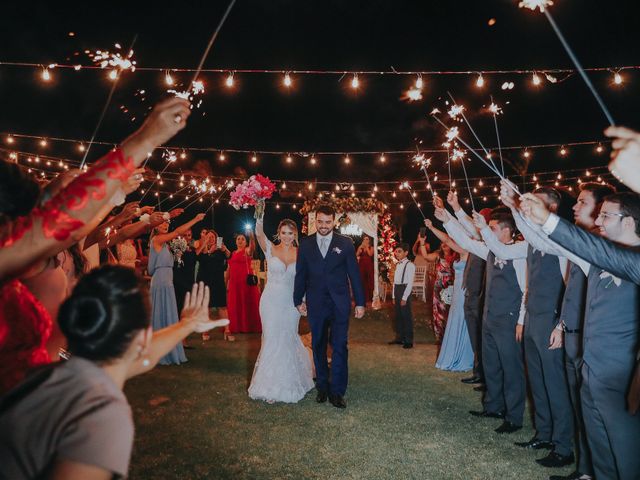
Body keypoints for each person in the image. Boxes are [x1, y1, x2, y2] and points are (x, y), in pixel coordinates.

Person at [0, 266, 226, 479]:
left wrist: (186, 324)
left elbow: (141, 357)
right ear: (143, 337)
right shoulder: (101, 413)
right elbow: (140, 356)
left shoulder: (54, 374)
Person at [521, 192, 640, 480]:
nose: (598, 220)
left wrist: (548, 218)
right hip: (590, 373)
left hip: (620, 382)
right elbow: (565, 243)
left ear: (629, 223)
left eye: (606, 215)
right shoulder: (598, 260)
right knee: (599, 454)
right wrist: (528, 215)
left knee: (627, 457)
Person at [483, 185, 576, 469]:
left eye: (535, 202)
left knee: (555, 384)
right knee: (537, 381)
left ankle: (563, 446)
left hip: (551, 319)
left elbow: (570, 289)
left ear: (552, 209)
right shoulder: (532, 242)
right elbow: (503, 250)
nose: (529, 206)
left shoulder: (561, 241)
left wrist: (561, 325)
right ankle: (544, 434)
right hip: (534, 317)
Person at [439, 205, 527, 434]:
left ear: (506, 231)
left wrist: (521, 320)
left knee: (511, 368)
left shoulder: (518, 252)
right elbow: (466, 242)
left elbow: (526, 290)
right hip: (489, 317)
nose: (487, 232)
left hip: (508, 320)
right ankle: (493, 406)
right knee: (491, 365)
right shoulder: (490, 250)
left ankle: (513, 417)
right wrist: (446, 219)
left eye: (493, 228)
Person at [294, 204, 365, 409]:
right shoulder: (306, 245)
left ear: (333, 221)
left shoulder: (345, 244)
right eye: (320, 222)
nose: (323, 226)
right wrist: (298, 300)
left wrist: (360, 302)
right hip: (316, 303)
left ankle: (337, 391)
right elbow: (301, 275)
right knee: (318, 344)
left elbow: (354, 275)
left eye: (327, 222)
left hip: (339, 304)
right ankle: (323, 387)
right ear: (315, 221)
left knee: (340, 345)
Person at [248, 214, 314, 403]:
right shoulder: (270, 248)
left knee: (288, 337)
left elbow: (304, 281)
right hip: (270, 302)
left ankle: (289, 382)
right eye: (284, 233)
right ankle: (269, 386)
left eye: (290, 233)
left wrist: (303, 301)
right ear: (278, 233)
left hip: (290, 303)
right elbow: (258, 232)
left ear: (295, 235)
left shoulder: (301, 254)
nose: (287, 236)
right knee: (271, 339)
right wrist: (260, 212)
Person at [443, 193, 489, 386]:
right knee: (474, 336)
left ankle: (486, 375)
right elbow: (464, 232)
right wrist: (451, 211)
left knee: (482, 337)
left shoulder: (487, 244)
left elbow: (461, 237)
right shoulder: (477, 241)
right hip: (469, 293)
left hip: (481, 296)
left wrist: (453, 211)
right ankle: (478, 372)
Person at [148, 213, 205, 364]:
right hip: (160, 281)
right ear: (155, 227)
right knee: (162, 313)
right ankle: (160, 351)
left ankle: (167, 349)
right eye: (161, 224)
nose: (165, 225)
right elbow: (178, 232)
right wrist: (195, 219)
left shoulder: (167, 244)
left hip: (168, 280)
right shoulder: (157, 240)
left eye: (166, 223)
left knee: (169, 314)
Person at [423, 219, 474, 372]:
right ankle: (454, 353)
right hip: (458, 292)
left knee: (460, 320)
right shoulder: (463, 250)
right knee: (455, 319)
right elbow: (446, 238)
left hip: (464, 291)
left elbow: (446, 238)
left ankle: (461, 357)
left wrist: (432, 227)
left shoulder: (466, 250)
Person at [195, 230, 230, 340]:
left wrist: (224, 249)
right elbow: (198, 256)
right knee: (207, 307)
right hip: (205, 281)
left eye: (213, 237)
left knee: (222, 306)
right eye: (209, 237)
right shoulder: (202, 248)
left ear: (216, 239)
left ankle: (227, 329)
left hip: (218, 280)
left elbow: (229, 256)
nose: (211, 239)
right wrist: (205, 245)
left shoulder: (220, 249)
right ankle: (205, 331)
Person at [226, 231, 262, 336]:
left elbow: (252, 248)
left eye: (242, 239)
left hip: (245, 282)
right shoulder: (233, 253)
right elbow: (229, 268)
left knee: (246, 303)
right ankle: (238, 326)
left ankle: (248, 326)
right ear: (235, 241)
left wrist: (251, 237)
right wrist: (226, 281)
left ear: (246, 242)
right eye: (238, 239)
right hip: (234, 282)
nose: (240, 241)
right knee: (236, 303)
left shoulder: (246, 251)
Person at [421, 241, 457, 344]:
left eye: (447, 242)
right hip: (439, 287)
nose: (444, 244)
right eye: (442, 243)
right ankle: (440, 336)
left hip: (451, 286)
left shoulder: (456, 256)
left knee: (450, 311)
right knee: (439, 310)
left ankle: (450, 335)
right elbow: (426, 256)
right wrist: (422, 243)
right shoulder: (438, 255)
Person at [388, 242, 416, 349]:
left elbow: (410, 283)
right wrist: (394, 296)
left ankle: (408, 340)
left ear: (406, 252)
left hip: (405, 290)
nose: (396, 253)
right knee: (398, 316)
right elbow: (395, 282)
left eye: (399, 251)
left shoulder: (410, 265)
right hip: (398, 290)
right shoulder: (398, 264)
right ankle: (399, 338)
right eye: (396, 251)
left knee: (406, 316)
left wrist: (404, 297)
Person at [357, 234, 375, 305]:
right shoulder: (361, 247)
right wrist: (360, 248)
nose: (365, 240)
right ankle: (363, 296)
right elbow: (356, 255)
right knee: (362, 280)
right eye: (364, 239)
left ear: (369, 240)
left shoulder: (371, 247)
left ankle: (370, 297)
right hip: (361, 265)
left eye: (367, 239)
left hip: (368, 265)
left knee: (369, 280)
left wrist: (367, 247)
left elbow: (370, 254)